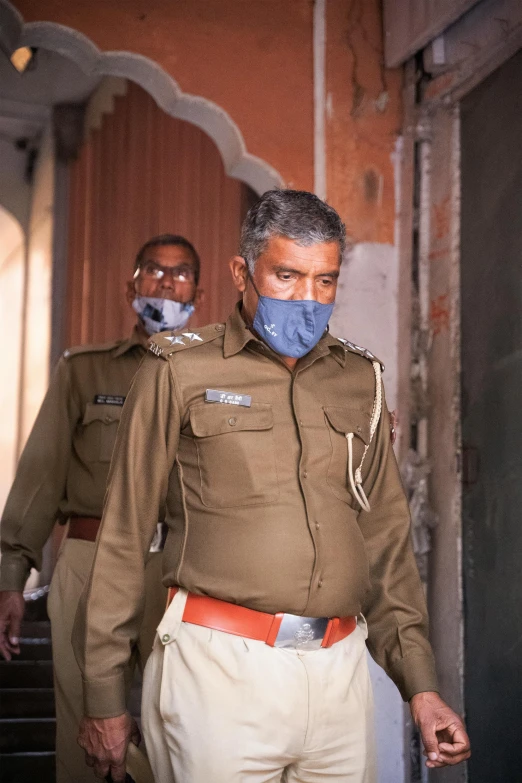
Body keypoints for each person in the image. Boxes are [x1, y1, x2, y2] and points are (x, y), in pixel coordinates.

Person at [74, 191, 471, 783]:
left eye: (325, 281)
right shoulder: (179, 370)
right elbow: (126, 535)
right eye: (286, 276)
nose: (307, 300)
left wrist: (421, 686)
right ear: (242, 271)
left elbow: (386, 539)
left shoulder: (360, 379)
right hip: (218, 673)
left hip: (340, 674)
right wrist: (103, 694)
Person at [0, 233, 203, 783]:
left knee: (187, 734)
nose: (166, 282)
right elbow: (41, 477)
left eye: (180, 273)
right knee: (86, 738)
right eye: (154, 272)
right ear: (130, 286)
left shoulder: (217, 377)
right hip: (91, 561)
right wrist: (12, 576)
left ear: (199, 291)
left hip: (188, 573)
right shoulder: (84, 371)